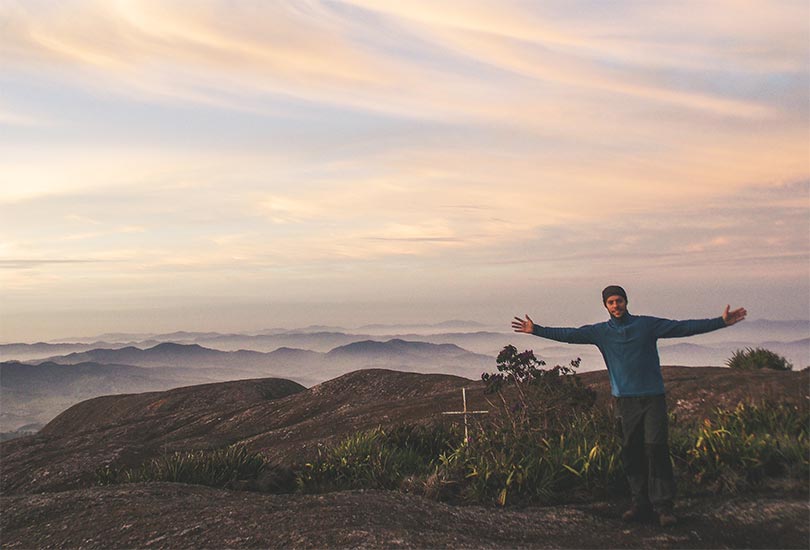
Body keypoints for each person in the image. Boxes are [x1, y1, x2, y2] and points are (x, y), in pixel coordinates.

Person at [511, 285, 746, 527]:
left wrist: (721, 322)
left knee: (656, 449)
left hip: (653, 398)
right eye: (611, 302)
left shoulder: (646, 325)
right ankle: (640, 504)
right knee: (631, 451)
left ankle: (663, 506)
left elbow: (682, 327)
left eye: (619, 300)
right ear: (605, 306)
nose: (616, 305)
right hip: (624, 401)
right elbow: (570, 335)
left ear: (626, 301)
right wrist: (536, 330)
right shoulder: (600, 332)